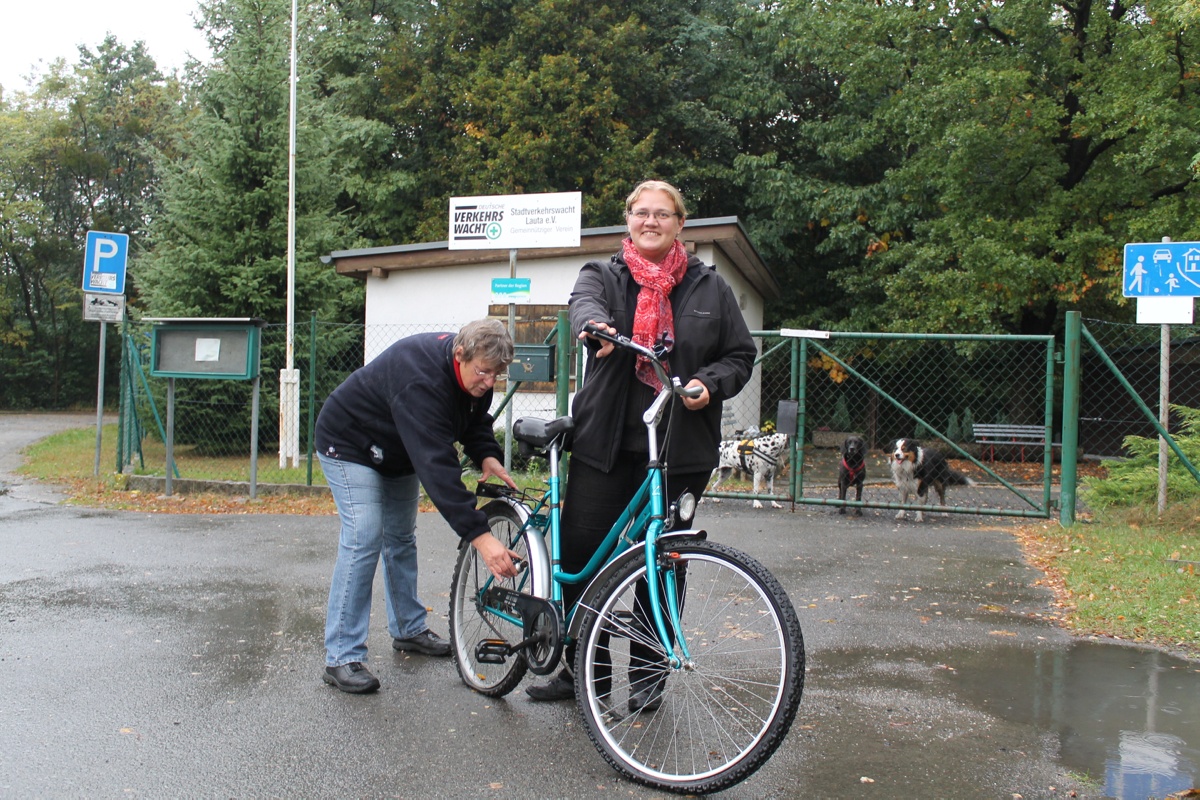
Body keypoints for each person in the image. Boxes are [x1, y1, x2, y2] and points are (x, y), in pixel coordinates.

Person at [526, 180, 757, 705]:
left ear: (680, 224)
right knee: (585, 559)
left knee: (665, 562)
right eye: (641, 213)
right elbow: (582, 306)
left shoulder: (710, 288)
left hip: (680, 449)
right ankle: (584, 669)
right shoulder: (603, 275)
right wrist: (596, 329)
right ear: (627, 219)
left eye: (662, 214)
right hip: (604, 445)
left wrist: (708, 383)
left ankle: (649, 675)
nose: (650, 221)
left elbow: (739, 356)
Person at [316, 318, 522, 694]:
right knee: (365, 536)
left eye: (497, 375)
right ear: (459, 354)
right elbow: (438, 468)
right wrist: (480, 536)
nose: (490, 382)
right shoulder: (421, 379)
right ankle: (341, 656)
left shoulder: (477, 374)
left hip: (398, 450)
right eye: (484, 372)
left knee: (400, 537)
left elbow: (473, 419)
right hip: (350, 443)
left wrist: (487, 455)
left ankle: (409, 630)